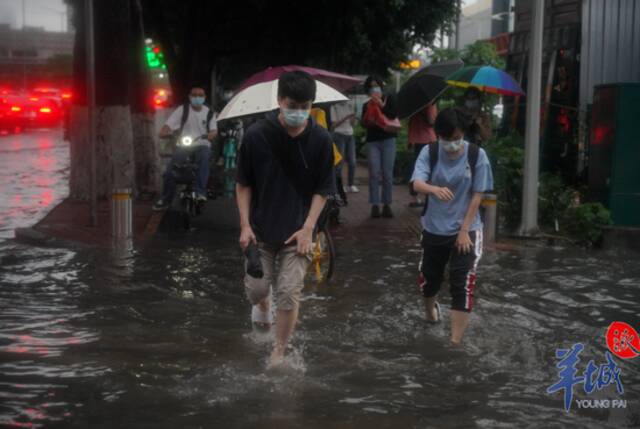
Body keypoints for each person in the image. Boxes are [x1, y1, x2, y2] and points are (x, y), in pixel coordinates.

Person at [235, 71, 334, 367]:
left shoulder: (321, 139)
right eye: (293, 105)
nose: (299, 112)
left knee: (289, 292)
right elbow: (243, 184)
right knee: (257, 289)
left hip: (299, 231)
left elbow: (324, 188)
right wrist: (244, 224)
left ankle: (278, 350)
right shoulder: (255, 136)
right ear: (279, 101)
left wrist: (309, 227)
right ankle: (263, 305)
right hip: (261, 229)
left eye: (305, 106)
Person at [410, 108, 494, 344]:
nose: (452, 144)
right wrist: (433, 189)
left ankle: (454, 343)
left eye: (457, 139)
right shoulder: (431, 152)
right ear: (438, 135)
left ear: (463, 135)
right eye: (447, 139)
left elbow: (478, 196)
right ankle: (430, 313)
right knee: (429, 279)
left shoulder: (477, 156)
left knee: (462, 282)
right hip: (434, 227)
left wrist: (464, 231)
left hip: (467, 229)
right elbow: (416, 183)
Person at [153, 86, 217, 210]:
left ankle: (200, 192)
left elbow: (214, 131)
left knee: (204, 159)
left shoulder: (209, 113)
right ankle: (166, 199)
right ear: (189, 97)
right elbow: (168, 125)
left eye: (200, 95)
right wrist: (164, 132)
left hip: (202, 144)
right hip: (184, 145)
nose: (197, 97)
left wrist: (209, 135)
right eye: (194, 95)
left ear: (204, 98)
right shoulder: (183, 110)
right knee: (170, 170)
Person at [361, 76, 399, 218]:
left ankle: (387, 205)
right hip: (373, 141)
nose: (374, 88)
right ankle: (375, 204)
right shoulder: (367, 105)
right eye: (371, 86)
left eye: (376, 85)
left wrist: (381, 105)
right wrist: (368, 120)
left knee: (387, 174)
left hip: (388, 139)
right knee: (374, 173)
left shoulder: (390, 100)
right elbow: (363, 124)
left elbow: (393, 114)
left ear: (381, 86)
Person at [407, 103, 437, 207]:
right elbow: (432, 121)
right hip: (429, 139)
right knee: (431, 169)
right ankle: (428, 197)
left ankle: (414, 198)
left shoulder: (412, 105)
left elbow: (410, 123)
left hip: (416, 139)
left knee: (416, 170)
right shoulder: (430, 104)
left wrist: (410, 140)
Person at [330, 99, 358, 193]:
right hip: (339, 135)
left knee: (352, 161)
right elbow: (333, 126)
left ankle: (351, 184)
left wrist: (353, 116)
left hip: (350, 135)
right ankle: (338, 186)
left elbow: (353, 124)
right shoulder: (334, 107)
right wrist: (346, 117)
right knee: (339, 162)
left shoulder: (350, 105)